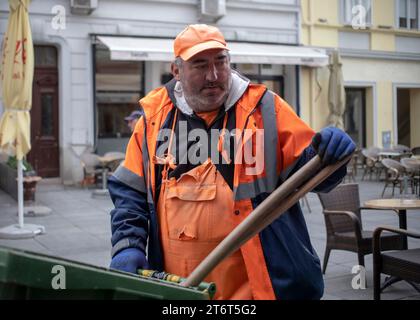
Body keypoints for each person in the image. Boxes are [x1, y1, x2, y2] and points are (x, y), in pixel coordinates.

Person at [108, 24, 355, 300]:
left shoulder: (265, 109)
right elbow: (130, 192)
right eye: (200, 65)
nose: (213, 76)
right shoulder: (154, 119)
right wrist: (128, 245)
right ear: (176, 71)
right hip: (181, 290)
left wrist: (328, 156)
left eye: (220, 62)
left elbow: (314, 176)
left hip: (261, 290)